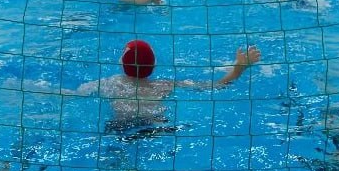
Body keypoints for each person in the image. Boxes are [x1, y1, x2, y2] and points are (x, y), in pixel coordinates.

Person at [75, 40, 261, 130]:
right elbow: (213, 86)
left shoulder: (109, 82)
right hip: (154, 123)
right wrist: (238, 69)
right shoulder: (164, 85)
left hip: (120, 124)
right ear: (153, 65)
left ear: (122, 63)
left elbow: (77, 93)